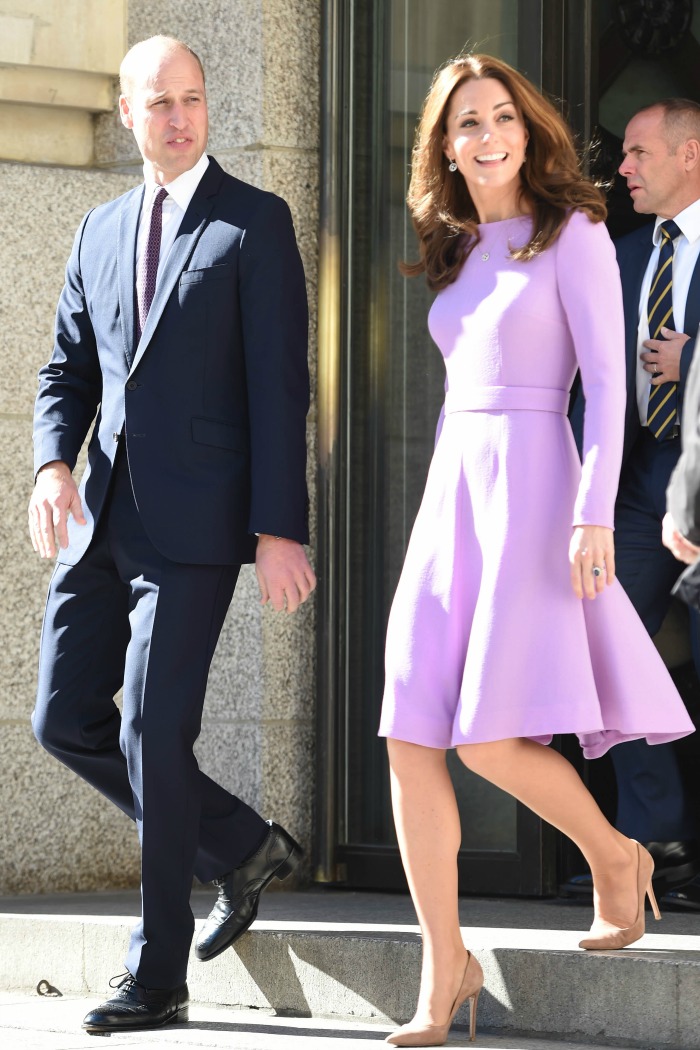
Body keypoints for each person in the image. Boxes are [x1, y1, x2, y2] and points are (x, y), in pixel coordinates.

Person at [378, 54, 695, 1048]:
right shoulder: (454, 242)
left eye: (502, 116)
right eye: (466, 121)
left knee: (484, 738)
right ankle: (445, 966)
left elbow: (607, 385)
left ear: (529, 130)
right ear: (444, 143)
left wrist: (592, 515)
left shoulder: (579, 232)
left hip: (536, 494)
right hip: (450, 496)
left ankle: (614, 858)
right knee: (408, 728)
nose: (487, 134)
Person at [28, 36, 316, 1035]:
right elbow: (65, 369)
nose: (182, 118)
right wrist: (50, 464)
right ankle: (240, 846)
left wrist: (281, 526)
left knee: (156, 731)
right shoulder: (99, 229)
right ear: (125, 114)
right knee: (61, 722)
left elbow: (283, 390)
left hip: (197, 526)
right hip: (100, 518)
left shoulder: (255, 223)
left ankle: (156, 972)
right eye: (161, 103)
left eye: (194, 99)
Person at [566, 99, 700, 906]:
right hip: (634, 492)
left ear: (693, 154)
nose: (625, 167)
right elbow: (592, 382)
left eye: (641, 153)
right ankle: (657, 842)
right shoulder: (618, 257)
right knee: (598, 646)